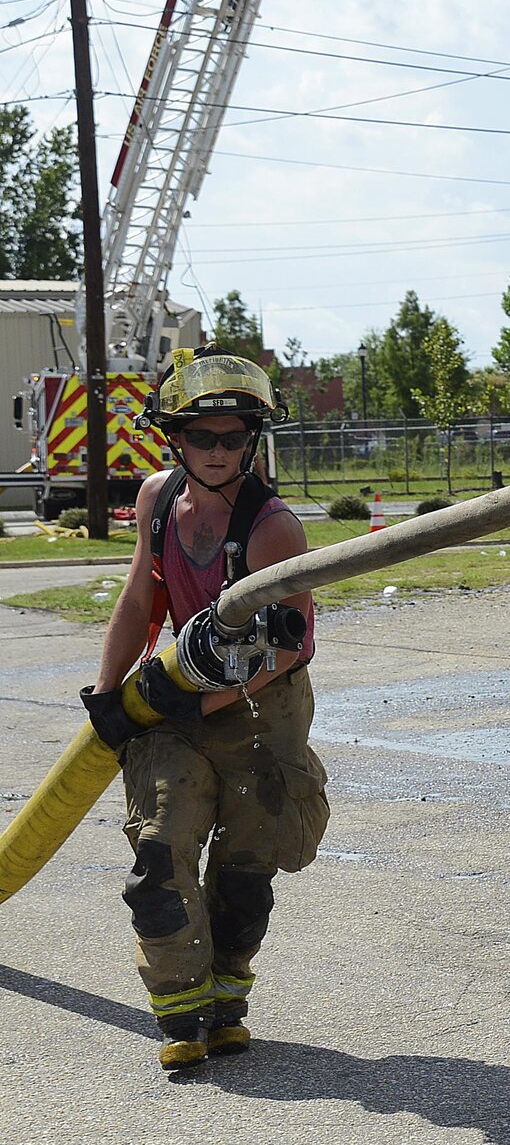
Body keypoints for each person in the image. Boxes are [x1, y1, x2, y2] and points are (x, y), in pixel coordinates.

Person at [78, 347, 328, 1071]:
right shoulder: (158, 501)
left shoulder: (272, 527)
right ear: (174, 438)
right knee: (161, 847)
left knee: (247, 866)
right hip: (174, 693)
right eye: (201, 436)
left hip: (261, 706)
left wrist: (199, 697)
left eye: (232, 437)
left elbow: (293, 645)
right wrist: (107, 691)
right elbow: (138, 599)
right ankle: (181, 1010)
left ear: (251, 439)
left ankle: (227, 995)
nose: (217, 452)